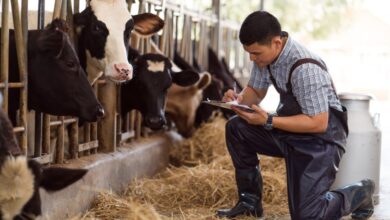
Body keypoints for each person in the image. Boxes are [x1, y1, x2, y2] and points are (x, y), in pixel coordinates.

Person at [216, 11, 375, 220]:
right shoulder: (266, 58)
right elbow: (255, 92)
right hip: (290, 131)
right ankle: (250, 204)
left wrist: (269, 120)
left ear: (276, 43)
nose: (251, 58)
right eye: (248, 53)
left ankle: (360, 192)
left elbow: (318, 123)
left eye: (255, 53)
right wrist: (237, 100)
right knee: (236, 128)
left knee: (307, 216)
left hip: (320, 140)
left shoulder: (305, 67)